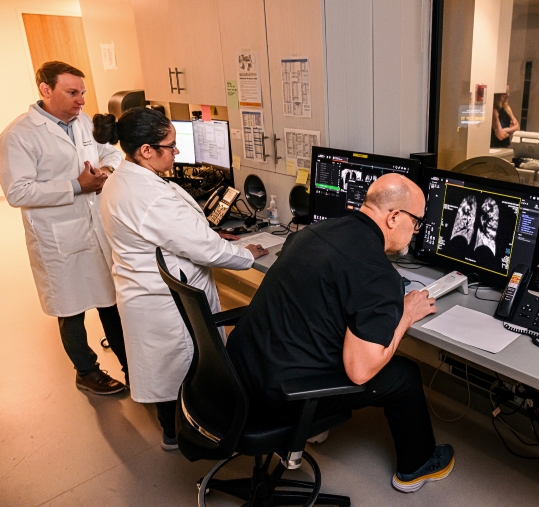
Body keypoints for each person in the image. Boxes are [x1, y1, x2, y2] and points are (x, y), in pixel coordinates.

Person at [226, 174, 455, 493]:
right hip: (279, 397)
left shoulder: (313, 233)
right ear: (393, 217)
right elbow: (360, 371)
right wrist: (405, 314)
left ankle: (308, 425)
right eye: (416, 222)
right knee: (403, 375)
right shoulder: (378, 274)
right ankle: (416, 467)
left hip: (237, 374)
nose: (415, 231)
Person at [94, 108, 269, 450]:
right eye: (171, 146)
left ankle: (174, 429)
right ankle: (187, 434)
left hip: (144, 290)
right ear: (146, 150)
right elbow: (208, 252)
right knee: (180, 368)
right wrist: (249, 253)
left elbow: (178, 233)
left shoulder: (123, 177)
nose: (177, 152)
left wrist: (206, 232)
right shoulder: (148, 196)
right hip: (161, 301)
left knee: (169, 371)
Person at [0, 61, 128, 394]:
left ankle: (131, 364)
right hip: (56, 236)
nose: (82, 100)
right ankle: (86, 371)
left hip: (93, 227)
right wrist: (76, 185)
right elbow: (18, 191)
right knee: (70, 307)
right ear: (46, 89)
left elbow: (108, 154)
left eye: (82, 92)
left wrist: (105, 172)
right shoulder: (19, 134)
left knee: (109, 299)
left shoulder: (83, 122)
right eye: (72, 92)